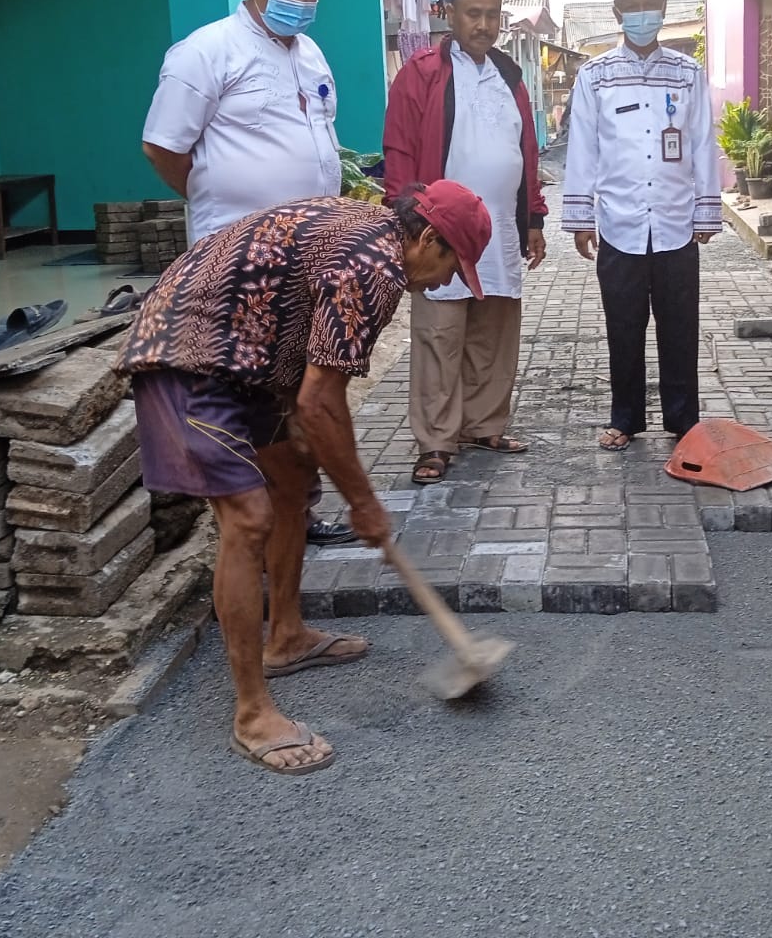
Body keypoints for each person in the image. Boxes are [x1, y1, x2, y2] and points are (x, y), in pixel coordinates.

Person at [116, 183, 493, 776]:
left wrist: (319, 450)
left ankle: (285, 636)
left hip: (252, 356)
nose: (445, 282)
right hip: (188, 354)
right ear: (426, 238)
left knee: (292, 482)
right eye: (450, 265)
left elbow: (314, 395)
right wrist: (365, 504)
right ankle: (252, 713)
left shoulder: (374, 240)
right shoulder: (375, 264)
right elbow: (321, 403)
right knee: (249, 517)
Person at [139, 0, 352, 546]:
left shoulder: (310, 55)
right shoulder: (204, 53)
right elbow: (163, 149)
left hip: (302, 269)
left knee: (291, 392)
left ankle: (299, 512)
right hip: (234, 272)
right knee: (242, 392)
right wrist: (220, 199)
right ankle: (248, 520)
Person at [381, 0, 548, 485]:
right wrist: (404, 224)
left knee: (494, 331)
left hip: (499, 226)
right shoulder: (422, 72)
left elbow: (527, 151)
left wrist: (534, 218)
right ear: (449, 13)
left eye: (493, 15)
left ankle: (484, 424)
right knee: (440, 334)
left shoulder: (511, 77)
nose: (484, 24)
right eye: (473, 13)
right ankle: (435, 441)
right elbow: (399, 149)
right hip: (440, 234)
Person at [563, 0, 720, 451]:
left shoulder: (688, 73)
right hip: (620, 223)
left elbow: (702, 143)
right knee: (623, 326)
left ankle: (682, 418)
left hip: (675, 222)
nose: (641, 13)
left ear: (663, 8)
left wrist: (706, 209)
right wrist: (581, 217)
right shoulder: (596, 75)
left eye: (649, 4)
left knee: (680, 325)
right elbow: (584, 148)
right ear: (616, 13)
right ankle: (625, 418)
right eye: (631, 6)